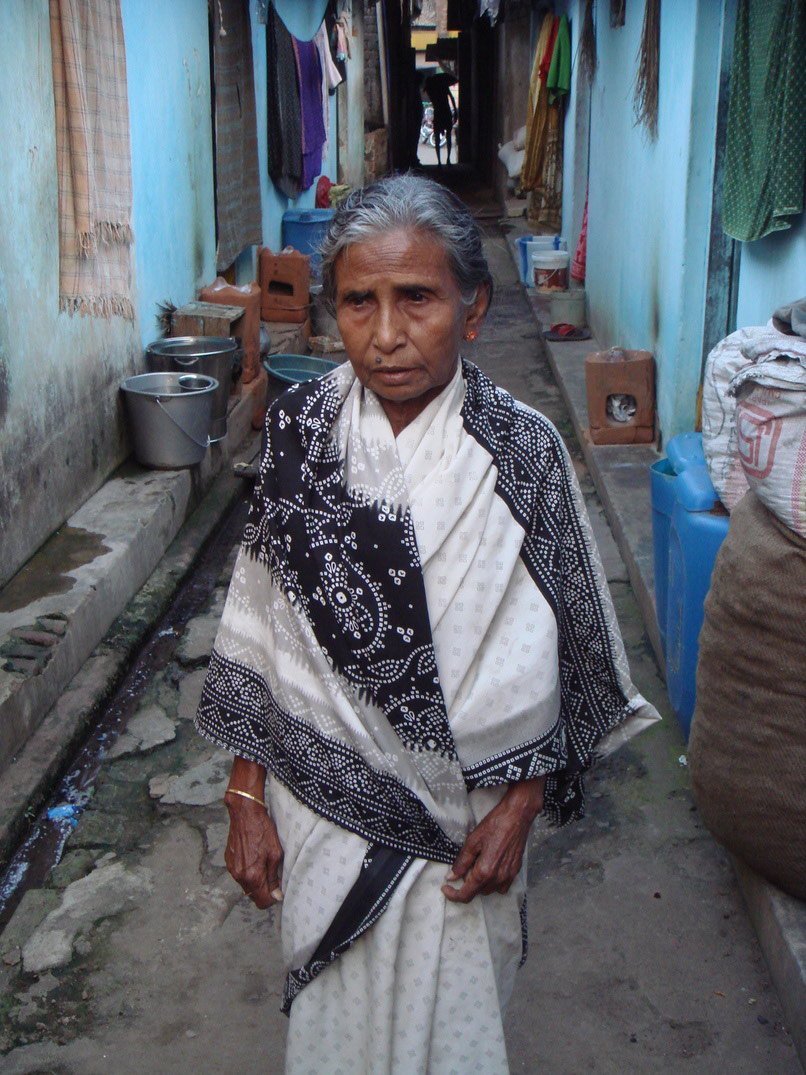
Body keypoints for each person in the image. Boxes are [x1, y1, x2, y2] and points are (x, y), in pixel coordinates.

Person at [196, 174, 659, 1074]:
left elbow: (578, 653)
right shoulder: (301, 433)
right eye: (360, 302)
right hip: (322, 811)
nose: (388, 332)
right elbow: (261, 621)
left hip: (469, 823)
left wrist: (525, 800)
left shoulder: (522, 450)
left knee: (456, 1035)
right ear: (335, 312)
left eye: (418, 298)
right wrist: (245, 794)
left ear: (472, 307)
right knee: (333, 1029)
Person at [424, 69, 458, 167]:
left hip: (438, 113)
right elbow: (451, 99)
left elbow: (433, 100)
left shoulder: (430, 90)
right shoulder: (444, 87)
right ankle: (448, 160)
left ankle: (439, 162)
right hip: (446, 112)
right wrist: (455, 111)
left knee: (437, 138)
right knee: (448, 137)